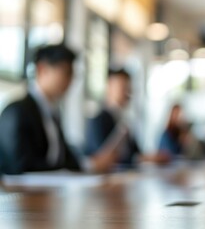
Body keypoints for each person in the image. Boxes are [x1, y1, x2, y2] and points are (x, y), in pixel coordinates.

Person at [0, 44, 118, 174]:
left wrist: (90, 164)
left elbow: (62, 158)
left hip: (50, 191)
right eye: (66, 73)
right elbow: (20, 166)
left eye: (72, 75)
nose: (70, 81)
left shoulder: (52, 113)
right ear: (42, 69)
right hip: (21, 193)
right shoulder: (16, 112)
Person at [84, 69, 140, 167]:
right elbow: (100, 157)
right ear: (109, 87)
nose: (127, 92)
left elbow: (134, 152)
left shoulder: (124, 119)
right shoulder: (98, 119)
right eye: (122, 87)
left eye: (128, 87)